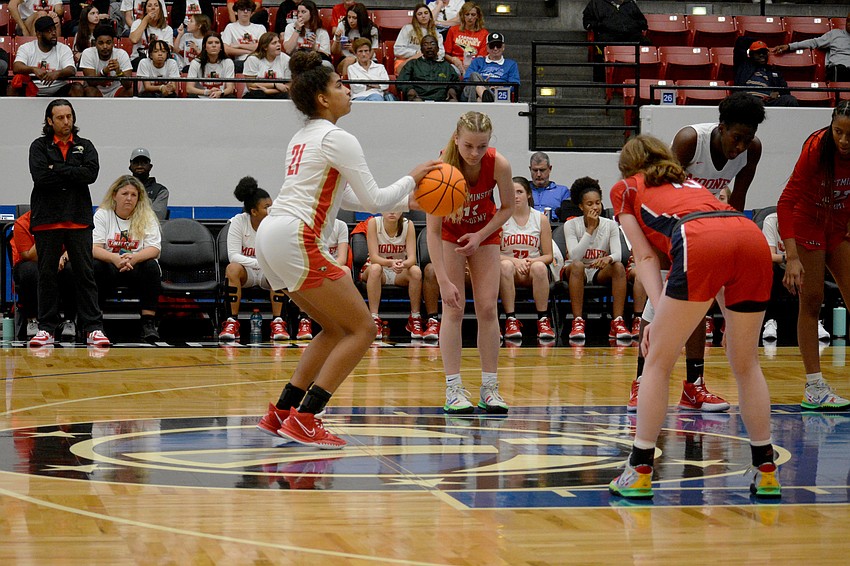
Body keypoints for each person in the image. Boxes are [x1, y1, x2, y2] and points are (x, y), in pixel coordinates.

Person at [253, 50, 440, 448]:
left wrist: (408, 201)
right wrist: (411, 178)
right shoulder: (337, 136)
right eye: (340, 85)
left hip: (272, 234)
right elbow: (373, 198)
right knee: (365, 328)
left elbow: (349, 198)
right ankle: (307, 418)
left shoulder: (303, 136)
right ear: (322, 98)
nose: (348, 90)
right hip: (295, 236)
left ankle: (283, 411)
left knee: (335, 328)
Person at [608, 134, 779, 501]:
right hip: (748, 236)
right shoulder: (688, 181)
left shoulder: (625, 188)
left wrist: (655, 312)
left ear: (627, 167)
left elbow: (647, 257)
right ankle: (766, 467)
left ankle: (639, 468)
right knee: (746, 363)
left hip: (700, 237)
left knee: (656, 361)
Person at [627, 92, 765, 412]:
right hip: (662, 221)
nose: (741, 146)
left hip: (704, 227)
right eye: (736, 138)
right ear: (721, 127)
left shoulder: (751, 151)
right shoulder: (691, 140)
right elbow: (661, 193)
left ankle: (694, 387)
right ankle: (641, 382)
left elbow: (737, 203)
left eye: (748, 139)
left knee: (700, 301)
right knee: (657, 303)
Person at [426, 111, 515, 414]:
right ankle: (453, 388)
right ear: (456, 139)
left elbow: (507, 208)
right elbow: (433, 232)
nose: (475, 153)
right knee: (453, 307)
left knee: (488, 308)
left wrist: (480, 235)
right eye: (468, 146)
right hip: (449, 236)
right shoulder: (441, 168)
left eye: (482, 146)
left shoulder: (498, 163)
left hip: (484, 233)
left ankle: (490, 388)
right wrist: (442, 281)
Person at [777, 101, 850, 411]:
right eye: (839, 132)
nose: (844, 141)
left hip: (838, 224)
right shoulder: (815, 148)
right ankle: (815, 387)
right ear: (830, 127)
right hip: (808, 222)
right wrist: (792, 257)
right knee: (812, 299)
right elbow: (785, 202)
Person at [28, 99, 110, 348]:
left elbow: (91, 175)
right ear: (49, 121)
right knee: (47, 275)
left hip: (78, 218)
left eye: (69, 117)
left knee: (85, 274)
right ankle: (46, 329)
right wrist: (72, 171)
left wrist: (58, 168)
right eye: (60, 118)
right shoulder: (38, 146)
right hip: (47, 219)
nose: (66, 122)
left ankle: (93, 328)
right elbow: (41, 177)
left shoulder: (86, 146)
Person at [220, 177, 291, 343]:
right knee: (232, 268)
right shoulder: (238, 222)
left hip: (269, 274)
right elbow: (233, 255)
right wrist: (258, 263)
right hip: (248, 273)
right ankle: (232, 322)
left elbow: (281, 254)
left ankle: (278, 322)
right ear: (253, 211)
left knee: (280, 268)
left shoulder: (276, 224)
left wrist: (267, 265)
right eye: (267, 207)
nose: (271, 210)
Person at [92, 175, 162, 342]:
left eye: (133, 195)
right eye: (125, 194)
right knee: (95, 267)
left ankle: (148, 323)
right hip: (110, 264)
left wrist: (135, 258)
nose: (129, 198)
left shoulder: (147, 216)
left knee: (152, 267)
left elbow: (154, 249)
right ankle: (96, 324)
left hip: (135, 265)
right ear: (115, 195)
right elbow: (93, 248)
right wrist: (115, 259)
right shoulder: (103, 214)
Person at [563, 176, 629, 342]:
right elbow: (575, 256)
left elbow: (618, 254)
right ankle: (578, 321)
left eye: (598, 202)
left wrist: (608, 259)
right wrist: (590, 229)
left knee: (619, 266)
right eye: (589, 204)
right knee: (577, 265)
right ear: (580, 206)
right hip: (576, 271)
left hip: (599, 270)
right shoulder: (571, 225)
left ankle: (617, 322)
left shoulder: (610, 225)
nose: (595, 207)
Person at [760, 211, 830, 343]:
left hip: (802, 264)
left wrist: (795, 263)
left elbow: (810, 253)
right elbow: (768, 255)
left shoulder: (805, 222)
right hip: (780, 265)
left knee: (814, 266)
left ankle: (817, 321)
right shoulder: (770, 220)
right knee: (768, 267)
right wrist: (788, 259)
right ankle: (770, 320)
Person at [499, 176, 555, 341]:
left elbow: (549, 256)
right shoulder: (501, 218)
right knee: (506, 266)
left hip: (531, 270)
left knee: (540, 267)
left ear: (529, 194)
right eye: (511, 192)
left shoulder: (541, 219)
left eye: (519, 192)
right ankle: (510, 319)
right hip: (509, 271)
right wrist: (516, 262)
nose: (515, 196)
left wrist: (531, 262)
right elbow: (493, 253)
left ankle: (543, 320)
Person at [11, 210, 77, 341]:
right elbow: (27, 255)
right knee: (30, 271)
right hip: (32, 262)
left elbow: (77, 246)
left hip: (62, 261)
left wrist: (63, 257)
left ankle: (69, 320)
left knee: (72, 269)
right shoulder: (22, 223)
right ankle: (32, 319)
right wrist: (47, 230)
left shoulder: (69, 220)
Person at [361, 212, 422, 339]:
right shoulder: (374, 223)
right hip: (379, 269)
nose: (392, 211)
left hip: (398, 271)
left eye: (396, 208)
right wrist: (390, 262)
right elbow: (373, 258)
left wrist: (402, 264)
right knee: (375, 269)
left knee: (416, 271)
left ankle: (415, 318)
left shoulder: (408, 224)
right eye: (389, 207)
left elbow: (412, 259)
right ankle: (374, 318)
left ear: (402, 210)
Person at [295, 216, 351, 340]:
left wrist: (327, 270)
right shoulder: (307, 225)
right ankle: (305, 319)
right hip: (313, 267)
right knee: (302, 272)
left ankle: (345, 319)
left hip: (332, 267)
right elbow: (305, 256)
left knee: (346, 271)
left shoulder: (340, 225)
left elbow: (342, 258)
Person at [10, 16, 82, 97]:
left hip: (58, 90)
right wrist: (33, 69)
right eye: (49, 31)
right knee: (12, 87)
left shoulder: (64, 48)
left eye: (54, 29)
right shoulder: (26, 47)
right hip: (31, 89)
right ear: (39, 34)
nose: (54, 33)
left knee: (77, 88)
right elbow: (16, 67)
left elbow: (71, 69)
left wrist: (58, 73)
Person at [583, 0, 647, 82]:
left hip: (631, 35)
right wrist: (602, 25)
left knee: (646, 43)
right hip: (608, 35)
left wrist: (632, 25)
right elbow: (587, 23)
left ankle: (643, 78)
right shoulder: (595, 3)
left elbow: (643, 22)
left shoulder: (629, 3)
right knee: (604, 43)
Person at [774, 13, 850, 83]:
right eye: (848, 21)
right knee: (839, 69)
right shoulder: (835, 34)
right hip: (838, 70)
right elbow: (814, 42)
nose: (849, 24)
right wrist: (789, 46)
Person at [735, 40, 799, 107]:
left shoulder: (773, 71)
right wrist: (757, 40)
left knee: (790, 100)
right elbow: (740, 42)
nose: (762, 55)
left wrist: (778, 93)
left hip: (766, 102)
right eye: (758, 53)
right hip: (746, 101)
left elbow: (785, 91)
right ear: (751, 55)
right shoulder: (743, 67)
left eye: (764, 53)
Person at [398, 34, 459, 102]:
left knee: (453, 101)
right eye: (425, 44)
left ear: (438, 48)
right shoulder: (413, 64)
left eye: (432, 44)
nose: (429, 47)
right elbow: (401, 81)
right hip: (418, 98)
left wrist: (452, 89)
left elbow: (456, 82)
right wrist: (409, 89)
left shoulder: (446, 66)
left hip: (442, 99)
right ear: (421, 49)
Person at [462, 32, 519, 103]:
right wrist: (483, 84)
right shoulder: (477, 61)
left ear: (503, 47)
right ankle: (486, 97)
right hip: (473, 90)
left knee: (479, 100)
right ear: (487, 48)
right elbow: (467, 79)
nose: (495, 49)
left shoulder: (511, 64)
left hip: (497, 93)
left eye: (498, 45)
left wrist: (501, 88)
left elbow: (515, 84)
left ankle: (484, 99)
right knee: (474, 75)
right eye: (492, 46)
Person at [79, 25, 134, 98]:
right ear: (95, 43)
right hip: (97, 90)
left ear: (113, 43)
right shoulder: (88, 53)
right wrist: (104, 72)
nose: (105, 46)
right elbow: (91, 82)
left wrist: (119, 72)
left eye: (108, 43)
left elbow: (128, 84)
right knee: (90, 90)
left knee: (129, 91)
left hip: (116, 90)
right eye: (101, 43)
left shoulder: (122, 54)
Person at [394, 3, 445, 74]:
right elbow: (397, 50)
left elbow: (441, 52)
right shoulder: (408, 29)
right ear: (416, 17)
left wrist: (425, 55)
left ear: (430, 16)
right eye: (420, 14)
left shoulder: (436, 33)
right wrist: (416, 53)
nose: (423, 16)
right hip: (406, 61)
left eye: (426, 13)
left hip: (429, 62)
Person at [330, 2, 377, 77]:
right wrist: (337, 40)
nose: (351, 21)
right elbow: (334, 52)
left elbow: (371, 54)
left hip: (368, 60)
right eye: (349, 17)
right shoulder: (343, 25)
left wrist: (355, 50)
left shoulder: (372, 29)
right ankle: (346, 85)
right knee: (350, 60)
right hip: (345, 59)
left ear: (361, 18)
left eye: (354, 18)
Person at [186, 32, 237, 99]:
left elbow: (230, 89)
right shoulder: (196, 63)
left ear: (221, 47)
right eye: (210, 43)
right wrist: (207, 92)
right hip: (201, 98)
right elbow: (189, 88)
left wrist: (220, 92)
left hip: (220, 96)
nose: (214, 45)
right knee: (191, 96)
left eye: (217, 43)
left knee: (231, 97)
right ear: (204, 47)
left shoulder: (228, 62)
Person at [281, 0, 331, 65]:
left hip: (315, 63)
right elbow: (288, 50)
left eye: (303, 12)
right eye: (298, 12)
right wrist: (297, 30)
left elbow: (326, 56)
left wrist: (314, 46)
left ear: (312, 14)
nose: (300, 15)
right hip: (296, 62)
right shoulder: (290, 27)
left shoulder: (321, 32)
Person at [443, 2, 487, 76]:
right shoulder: (453, 30)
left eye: (473, 15)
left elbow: (481, 57)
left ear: (477, 16)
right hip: (455, 65)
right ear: (463, 16)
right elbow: (445, 54)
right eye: (467, 14)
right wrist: (453, 59)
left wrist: (468, 67)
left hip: (475, 66)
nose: (470, 17)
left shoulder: (484, 33)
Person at [222, 0, 267, 73]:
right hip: (240, 62)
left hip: (258, 61)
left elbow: (262, 47)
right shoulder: (230, 27)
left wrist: (238, 45)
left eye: (248, 10)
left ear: (252, 13)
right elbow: (225, 49)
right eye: (242, 9)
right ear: (236, 12)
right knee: (228, 65)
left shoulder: (260, 28)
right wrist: (249, 51)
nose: (245, 11)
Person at [243, 31, 291, 99]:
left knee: (285, 96)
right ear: (265, 47)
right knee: (258, 94)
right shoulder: (252, 59)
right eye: (274, 43)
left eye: (278, 42)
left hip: (278, 93)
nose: (278, 45)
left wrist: (268, 91)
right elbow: (250, 85)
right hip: (256, 94)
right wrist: (275, 85)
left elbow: (288, 86)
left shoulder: (286, 59)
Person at [128, 0, 172, 70]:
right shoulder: (137, 23)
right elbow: (134, 39)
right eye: (149, 6)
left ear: (160, 10)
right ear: (145, 10)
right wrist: (145, 20)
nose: (153, 8)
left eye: (156, 5)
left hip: (159, 62)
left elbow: (167, 51)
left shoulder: (167, 29)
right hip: (138, 61)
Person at [128, 148, 169, 222]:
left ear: (150, 167)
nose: (140, 166)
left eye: (144, 162)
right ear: (130, 167)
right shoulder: (121, 188)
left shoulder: (161, 191)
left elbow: (156, 217)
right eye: (136, 162)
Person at [528, 152, 570, 222]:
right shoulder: (524, 191)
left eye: (542, 170)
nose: (538, 174)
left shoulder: (562, 191)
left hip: (554, 227)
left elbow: (567, 217)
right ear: (530, 169)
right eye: (535, 170)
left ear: (550, 169)